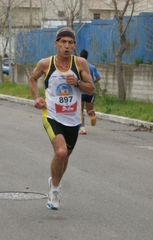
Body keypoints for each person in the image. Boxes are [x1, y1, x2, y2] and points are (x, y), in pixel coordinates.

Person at [28, 27, 94, 210]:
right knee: (61, 152)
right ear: (56, 44)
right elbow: (32, 79)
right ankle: (55, 191)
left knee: (64, 158)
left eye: (70, 43)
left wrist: (78, 83)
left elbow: (91, 89)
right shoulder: (45, 63)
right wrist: (36, 97)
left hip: (72, 120)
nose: (66, 46)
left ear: (74, 46)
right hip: (52, 115)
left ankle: (54, 181)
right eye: (63, 42)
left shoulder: (80, 64)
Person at [78, 49, 101, 135]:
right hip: (90, 91)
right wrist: (92, 83)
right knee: (89, 110)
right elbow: (98, 77)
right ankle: (92, 114)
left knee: (80, 111)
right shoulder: (92, 67)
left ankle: (82, 128)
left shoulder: (79, 67)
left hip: (81, 91)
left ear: (80, 57)